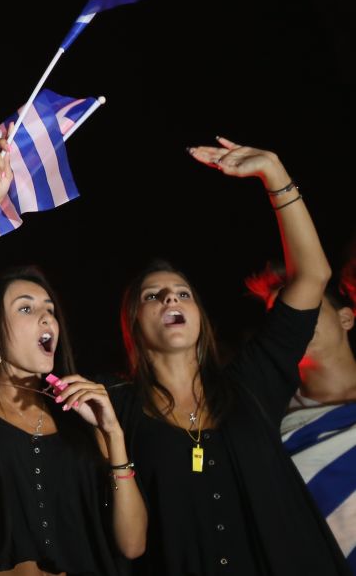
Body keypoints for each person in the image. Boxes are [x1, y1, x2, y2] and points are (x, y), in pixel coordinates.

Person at [0, 131, 146, 575]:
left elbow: (132, 546)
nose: (46, 319)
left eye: (50, 310)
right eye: (26, 308)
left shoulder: (82, 417)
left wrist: (113, 437)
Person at [111, 136, 348, 574]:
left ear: (200, 316)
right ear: (133, 324)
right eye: (153, 295)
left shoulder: (251, 382)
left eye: (182, 293)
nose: (170, 298)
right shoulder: (116, 411)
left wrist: (274, 173)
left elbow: (313, 275)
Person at [246, 263, 356, 568]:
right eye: (280, 313)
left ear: (346, 317)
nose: (295, 319)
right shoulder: (269, 426)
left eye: (308, 305)